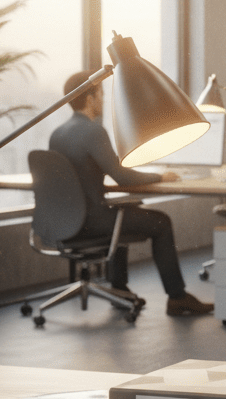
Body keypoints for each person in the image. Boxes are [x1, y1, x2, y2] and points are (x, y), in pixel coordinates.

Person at [49, 71, 214, 316]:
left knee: (122, 214)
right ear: (91, 98)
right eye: (101, 95)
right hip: (90, 221)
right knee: (161, 221)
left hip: (64, 222)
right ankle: (177, 297)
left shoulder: (57, 134)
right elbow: (123, 177)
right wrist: (160, 176)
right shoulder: (94, 132)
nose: (103, 100)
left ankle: (120, 290)